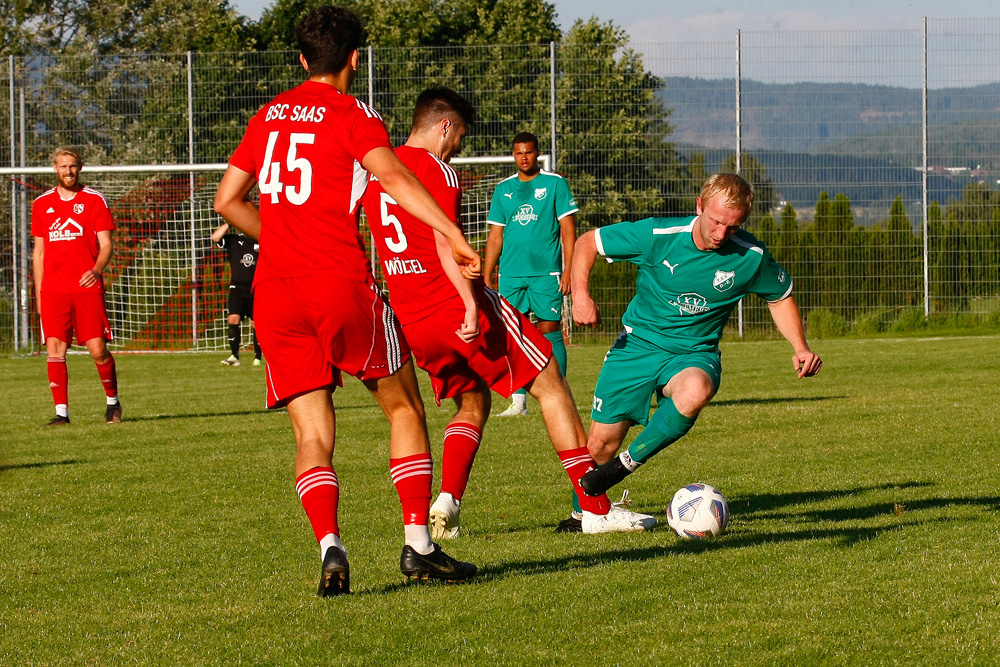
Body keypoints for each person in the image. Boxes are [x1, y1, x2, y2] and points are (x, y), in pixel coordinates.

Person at [212, 6, 482, 597]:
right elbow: (396, 178)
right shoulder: (354, 113)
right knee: (404, 408)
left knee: (312, 433)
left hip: (274, 294)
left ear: (302, 58)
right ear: (355, 59)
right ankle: (418, 545)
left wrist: (281, 239)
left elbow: (227, 200)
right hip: (336, 281)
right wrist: (453, 233)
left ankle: (330, 545)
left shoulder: (267, 115)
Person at [363, 87, 656, 538]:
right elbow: (444, 240)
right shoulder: (436, 170)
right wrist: (469, 303)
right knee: (552, 385)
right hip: (456, 304)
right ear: (444, 126)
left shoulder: (376, 172)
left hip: (413, 318)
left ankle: (448, 500)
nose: (457, 147)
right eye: (459, 136)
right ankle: (595, 509)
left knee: (473, 399)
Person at [570, 173, 823, 501]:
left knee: (696, 390)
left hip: (694, 354)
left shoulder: (750, 255)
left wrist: (800, 346)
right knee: (600, 445)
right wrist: (580, 295)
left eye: (733, 227)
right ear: (700, 206)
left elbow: (779, 297)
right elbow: (588, 242)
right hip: (637, 346)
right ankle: (583, 516)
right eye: (716, 221)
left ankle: (626, 465)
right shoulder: (657, 235)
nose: (721, 234)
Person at [483, 132, 577, 417]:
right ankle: (518, 403)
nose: (524, 157)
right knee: (514, 336)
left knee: (550, 332)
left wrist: (569, 270)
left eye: (528, 152)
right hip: (511, 275)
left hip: (546, 273)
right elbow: (495, 236)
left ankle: (560, 395)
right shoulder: (504, 189)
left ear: (537, 153)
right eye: (519, 153)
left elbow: (568, 230)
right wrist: (487, 274)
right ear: (514, 155)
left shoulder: (555, 184)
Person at [31, 146, 123, 426]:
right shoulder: (41, 204)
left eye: (72, 166)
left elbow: (106, 245)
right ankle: (62, 414)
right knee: (55, 349)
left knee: (97, 350)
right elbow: (39, 253)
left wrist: (96, 270)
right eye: (63, 166)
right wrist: (39, 294)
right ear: (55, 168)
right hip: (53, 290)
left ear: (79, 167)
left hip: (86, 288)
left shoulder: (94, 200)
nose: (68, 171)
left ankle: (113, 403)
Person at [210, 221, 262, 367]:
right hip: (236, 288)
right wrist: (229, 222)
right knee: (233, 319)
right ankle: (234, 356)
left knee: (256, 324)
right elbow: (215, 237)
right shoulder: (234, 240)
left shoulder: (259, 239)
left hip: (255, 288)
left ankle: (258, 357)